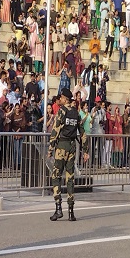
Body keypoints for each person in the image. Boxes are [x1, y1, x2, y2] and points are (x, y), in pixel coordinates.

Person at [47, 88, 89, 222]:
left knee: (56, 176)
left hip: (62, 146)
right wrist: (86, 150)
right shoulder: (76, 113)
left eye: (61, 98)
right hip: (72, 147)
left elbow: (55, 131)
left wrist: (50, 148)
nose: (59, 100)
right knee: (70, 178)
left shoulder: (62, 111)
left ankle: (58, 208)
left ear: (65, 98)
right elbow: (82, 133)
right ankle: (71, 211)